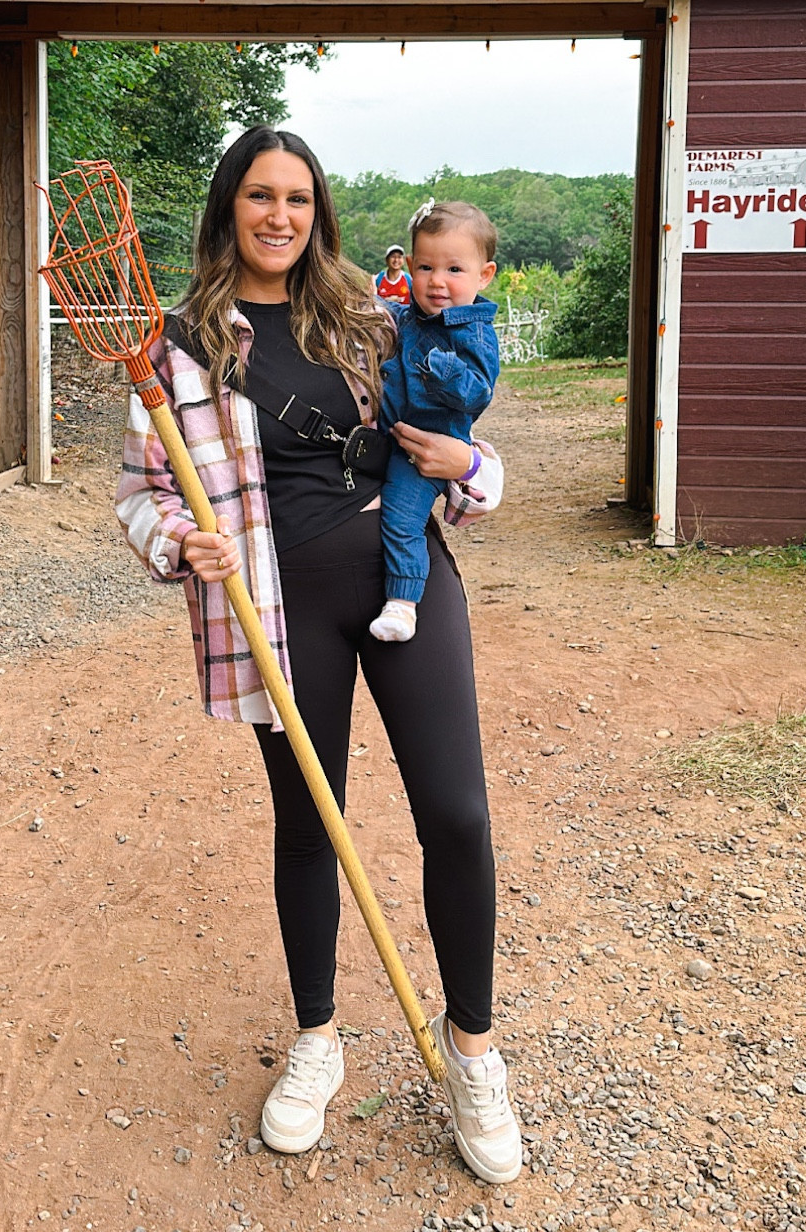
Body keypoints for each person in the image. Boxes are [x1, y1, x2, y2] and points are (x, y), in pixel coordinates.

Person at [115, 126, 522, 1186]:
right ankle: (316, 1038)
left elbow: (460, 438)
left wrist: (471, 465)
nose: (280, 216)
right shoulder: (177, 349)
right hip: (277, 606)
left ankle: (473, 1053)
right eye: (261, 195)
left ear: (319, 212)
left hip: (403, 582)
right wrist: (179, 543)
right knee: (311, 823)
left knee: (458, 814)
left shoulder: (372, 321)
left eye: (297, 198)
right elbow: (142, 494)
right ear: (230, 207)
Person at [369, 199, 500, 644]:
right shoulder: (412, 316)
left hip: (426, 450)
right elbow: (383, 314)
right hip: (388, 431)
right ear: (409, 268)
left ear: (484, 275)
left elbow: (478, 392)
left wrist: (443, 367)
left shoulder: (473, 332)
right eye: (425, 267)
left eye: (454, 270)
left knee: (401, 516)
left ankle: (402, 603)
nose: (437, 281)